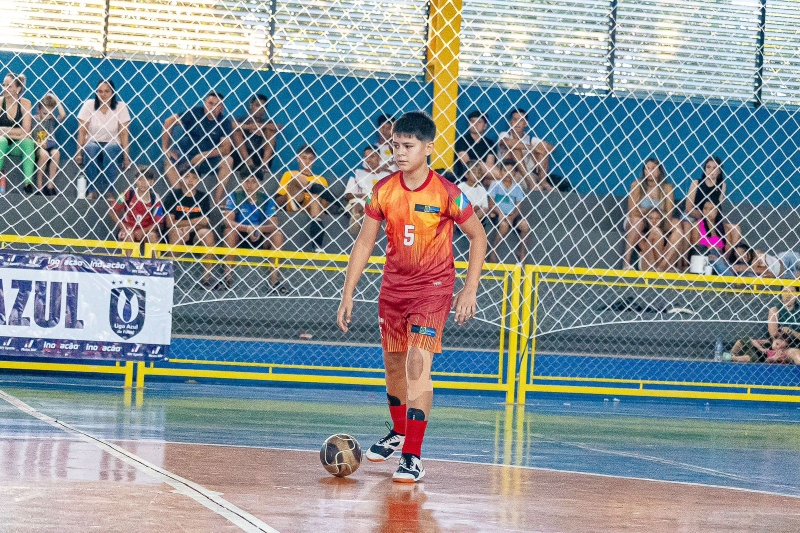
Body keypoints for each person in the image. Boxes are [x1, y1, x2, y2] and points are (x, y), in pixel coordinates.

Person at [337, 111, 487, 483]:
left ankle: (412, 456)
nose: (400, 152)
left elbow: (478, 237)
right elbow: (365, 241)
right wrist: (348, 293)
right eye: (396, 145)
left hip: (433, 289)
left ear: (428, 147)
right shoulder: (383, 190)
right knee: (393, 366)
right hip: (393, 289)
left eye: (408, 145)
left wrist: (469, 289)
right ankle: (399, 429)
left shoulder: (448, 193)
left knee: (417, 364)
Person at [162, 90, 234, 202]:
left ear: (222, 108)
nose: (213, 107)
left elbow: (226, 149)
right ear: (205, 103)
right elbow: (168, 122)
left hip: (207, 159)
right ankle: (182, 198)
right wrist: (166, 148)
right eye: (210, 103)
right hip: (185, 154)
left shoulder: (225, 122)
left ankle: (217, 200)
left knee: (228, 161)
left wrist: (203, 155)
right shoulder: (195, 112)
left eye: (217, 105)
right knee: (168, 161)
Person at [223, 173, 285, 292]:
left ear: (260, 184)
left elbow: (274, 224)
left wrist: (258, 229)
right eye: (246, 181)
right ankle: (227, 278)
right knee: (229, 231)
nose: (249, 185)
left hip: (259, 235)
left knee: (277, 234)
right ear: (241, 182)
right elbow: (228, 221)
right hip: (240, 234)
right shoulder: (234, 196)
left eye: (254, 181)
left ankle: (274, 281)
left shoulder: (266, 199)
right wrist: (247, 228)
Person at [76, 79, 131, 202]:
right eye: (100, 91)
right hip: (92, 142)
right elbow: (82, 131)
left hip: (113, 144)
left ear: (113, 92)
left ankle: (109, 191)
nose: (103, 94)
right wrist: (79, 153)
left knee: (110, 149)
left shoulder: (121, 107)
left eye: (107, 91)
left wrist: (126, 157)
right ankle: (92, 190)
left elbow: (124, 134)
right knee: (90, 148)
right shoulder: (89, 105)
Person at [162, 162, 215, 286]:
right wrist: (194, 221)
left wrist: (189, 228)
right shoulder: (173, 195)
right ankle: (169, 277)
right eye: (187, 177)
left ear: (199, 180)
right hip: (176, 232)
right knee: (175, 232)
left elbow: (205, 222)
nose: (191, 181)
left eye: (194, 177)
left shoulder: (203, 197)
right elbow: (170, 223)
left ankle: (206, 278)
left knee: (207, 233)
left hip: (195, 233)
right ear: (180, 178)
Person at [622, 158, 679, 269]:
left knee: (677, 225)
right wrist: (650, 212)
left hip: (658, 221)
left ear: (659, 171)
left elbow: (669, 214)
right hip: (638, 220)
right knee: (637, 222)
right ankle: (626, 263)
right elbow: (632, 212)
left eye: (653, 168)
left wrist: (650, 213)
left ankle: (664, 265)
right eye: (647, 169)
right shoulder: (637, 185)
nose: (650, 171)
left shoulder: (667, 188)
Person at [276, 144, 335, 252]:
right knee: (296, 178)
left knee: (315, 196)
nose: (307, 162)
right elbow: (278, 201)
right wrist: (291, 189)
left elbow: (326, 206)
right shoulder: (289, 174)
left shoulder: (321, 179)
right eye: (304, 158)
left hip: (314, 206)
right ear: (298, 159)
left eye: (310, 159)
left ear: (314, 160)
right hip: (296, 202)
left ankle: (316, 245)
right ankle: (307, 188)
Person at [681, 156, 740, 249]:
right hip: (694, 216)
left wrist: (711, 218)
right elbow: (688, 208)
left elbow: (718, 209)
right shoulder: (696, 183)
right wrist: (705, 216)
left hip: (711, 219)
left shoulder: (722, 185)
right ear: (704, 169)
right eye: (708, 167)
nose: (711, 170)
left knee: (735, 228)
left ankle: (729, 258)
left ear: (719, 171)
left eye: (714, 168)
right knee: (697, 225)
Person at [111, 167, 164, 255]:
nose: (143, 183)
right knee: (128, 234)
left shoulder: (156, 198)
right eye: (140, 179)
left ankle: (154, 265)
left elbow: (158, 222)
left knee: (153, 236)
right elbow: (112, 211)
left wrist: (143, 231)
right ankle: (129, 264)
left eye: (147, 180)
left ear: (152, 182)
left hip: (146, 231)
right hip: (128, 229)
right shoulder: (126, 193)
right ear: (135, 180)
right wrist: (123, 226)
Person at [498, 108, 554, 190]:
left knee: (542, 149)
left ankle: (543, 181)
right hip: (507, 173)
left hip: (528, 175)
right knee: (515, 148)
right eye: (514, 119)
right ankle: (530, 183)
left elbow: (551, 148)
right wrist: (532, 148)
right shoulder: (504, 134)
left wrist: (538, 155)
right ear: (510, 122)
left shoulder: (530, 139)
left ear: (526, 124)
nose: (517, 122)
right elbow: (507, 142)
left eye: (520, 120)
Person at [486, 161, 531, 264]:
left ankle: (521, 251)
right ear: (501, 172)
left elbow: (518, 206)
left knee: (525, 226)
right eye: (505, 171)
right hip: (497, 214)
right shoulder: (495, 185)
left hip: (512, 215)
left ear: (515, 174)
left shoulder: (517, 188)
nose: (508, 174)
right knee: (504, 225)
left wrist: (512, 216)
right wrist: (501, 214)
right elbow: (491, 205)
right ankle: (493, 250)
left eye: (511, 171)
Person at [0, 72, 35, 194]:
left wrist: (4, 131)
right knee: (1, 141)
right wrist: (16, 133)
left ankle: (28, 184)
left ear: (18, 89)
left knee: (28, 143)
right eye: (4, 85)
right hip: (2, 144)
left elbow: (26, 131)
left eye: (9, 86)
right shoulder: (0, 102)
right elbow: (21, 131)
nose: (4, 88)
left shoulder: (25, 103)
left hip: (17, 145)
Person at [232, 94, 280, 179]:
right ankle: (249, 163)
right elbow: (231, 125)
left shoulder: (266, 122)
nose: (260, 109)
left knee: (271, 131)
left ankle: (264, 164)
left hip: (259, 157)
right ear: (251, 105)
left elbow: (279, 127)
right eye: (257, 105)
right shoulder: (241, 119)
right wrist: (249, 127)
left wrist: (261, 126)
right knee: (237, 131)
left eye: (263, 107)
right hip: (241, 158)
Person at [344, 145, 384, 235]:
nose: (368, 160)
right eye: (366, 157)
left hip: (379, 204)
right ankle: (355, 217)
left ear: (379, 158)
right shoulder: (357, 173)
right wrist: (362, 196)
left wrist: (369, 197)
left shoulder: (386, 176)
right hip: (361, 201)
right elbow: (349, 194)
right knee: (358, 204)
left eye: (372, 156)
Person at [32, 93, 66, 195]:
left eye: (50, 114)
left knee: (56, 153)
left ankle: (50, 185)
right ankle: (39, 186)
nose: (47, 116)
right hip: (36, 147)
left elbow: (63, 114)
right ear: (39, 110)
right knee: (44, 155)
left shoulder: (51, 121)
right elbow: (27, 136)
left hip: (48, 146)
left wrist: (55, 99)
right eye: (45, 113)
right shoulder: (33, 120)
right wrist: (38, 144)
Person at [454, 110, 497, 182]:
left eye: (479, 122)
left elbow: (490, 165)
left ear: (485, 126)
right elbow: (468, 164)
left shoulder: (490, 143)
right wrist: (482, 165)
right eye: (472, 121)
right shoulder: (462, 141)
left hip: (485, 177)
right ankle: (502, 176)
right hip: (466, 178)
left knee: (492, 181)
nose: (475, 124)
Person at [458, 161, 489, 228]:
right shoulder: (461, 187)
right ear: (466, 174)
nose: (477, 175)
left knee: (483, 210)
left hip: (478, 217)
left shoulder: (482, 190)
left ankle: (472, 225)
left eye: (479, 172)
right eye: (474, 172)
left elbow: (485, 207)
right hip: (463, 214)